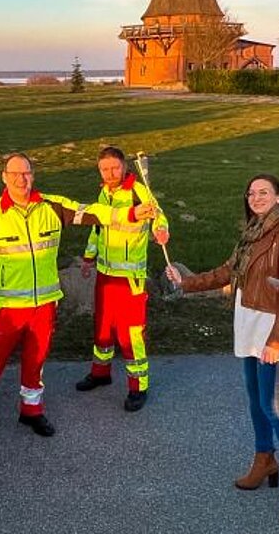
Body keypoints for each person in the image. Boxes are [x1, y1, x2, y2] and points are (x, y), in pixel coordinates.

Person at [165, 174, 279, 524]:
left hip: (275, 330)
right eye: (252, 193)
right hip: (251, 324)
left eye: (264, 192)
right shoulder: (253, 232)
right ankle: (264, 459)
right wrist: (186, 282)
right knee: (256, 400)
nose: (256, 197)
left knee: (277, 408)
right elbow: (227, 271)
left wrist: (277, 341)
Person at [0, 152, 156, 442]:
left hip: (44, 305)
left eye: (26, 173)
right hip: (8, 308)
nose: (21, 179)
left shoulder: (51, 206)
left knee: (36, 361)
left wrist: (130, 214)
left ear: (34, 175)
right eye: (14, 173)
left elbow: (93, 212)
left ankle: (31, 411)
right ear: (4, 177)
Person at [76, 146, 169, 411]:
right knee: (103, 327)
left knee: (131, 334)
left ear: (125, 167)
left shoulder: (139, 192)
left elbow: (158, 216)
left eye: (115, 167)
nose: (110, 173)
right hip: (105, 276)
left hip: (130, 279)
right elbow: (98, 226)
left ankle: (138, 387)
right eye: (105, 169)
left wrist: (161, 230)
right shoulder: (104, 193)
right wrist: (88, 256)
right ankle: (100, 373)